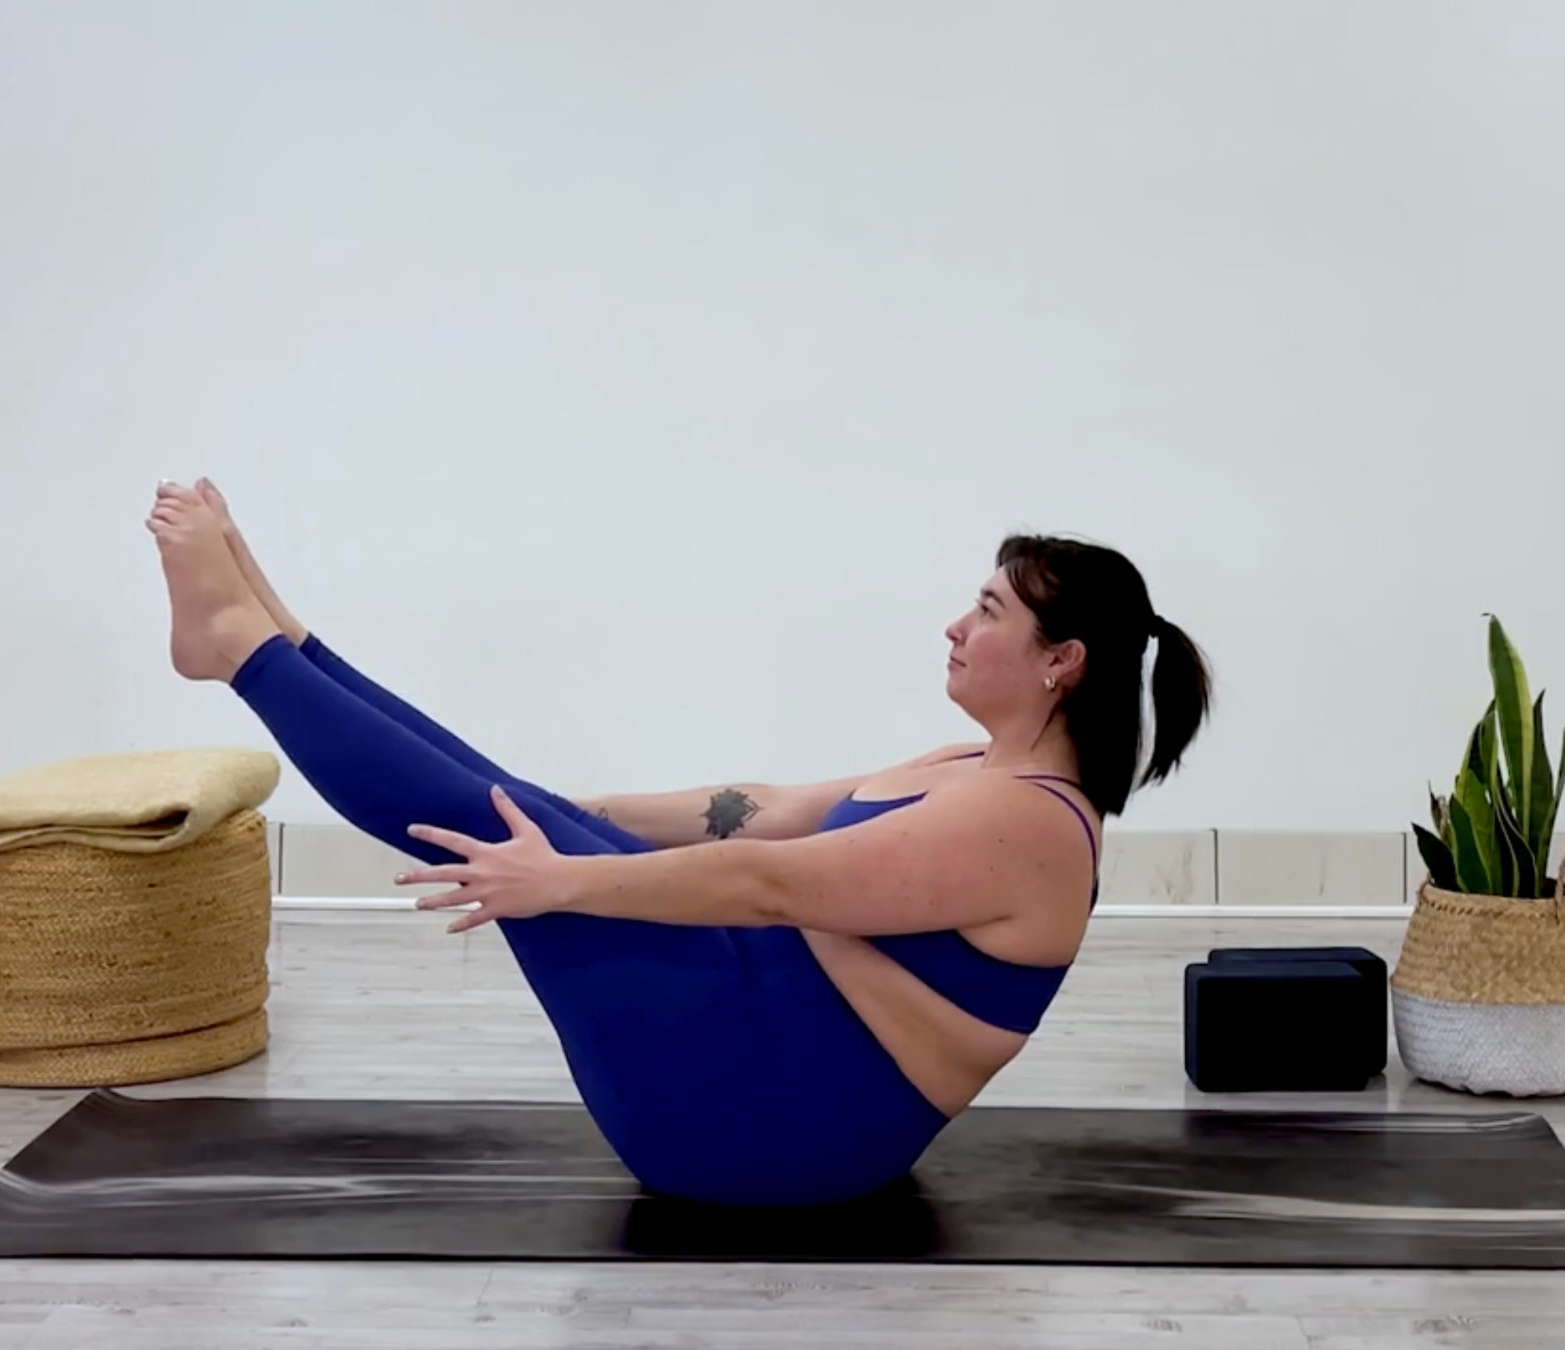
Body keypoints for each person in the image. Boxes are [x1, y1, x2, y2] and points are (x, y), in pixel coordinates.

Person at [147, 478, 1213, 1207]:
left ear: (1061, 661)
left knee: (506, 828)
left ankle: (240, 647)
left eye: (986, 611)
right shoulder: (971, 767)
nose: (955, 627)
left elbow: (767, 883)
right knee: (513, 804)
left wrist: (563, 879)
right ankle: (276, 629)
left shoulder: (1026, 822)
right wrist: (583, 810)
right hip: (761, 1042)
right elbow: (763, 811)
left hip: (768, 1125)